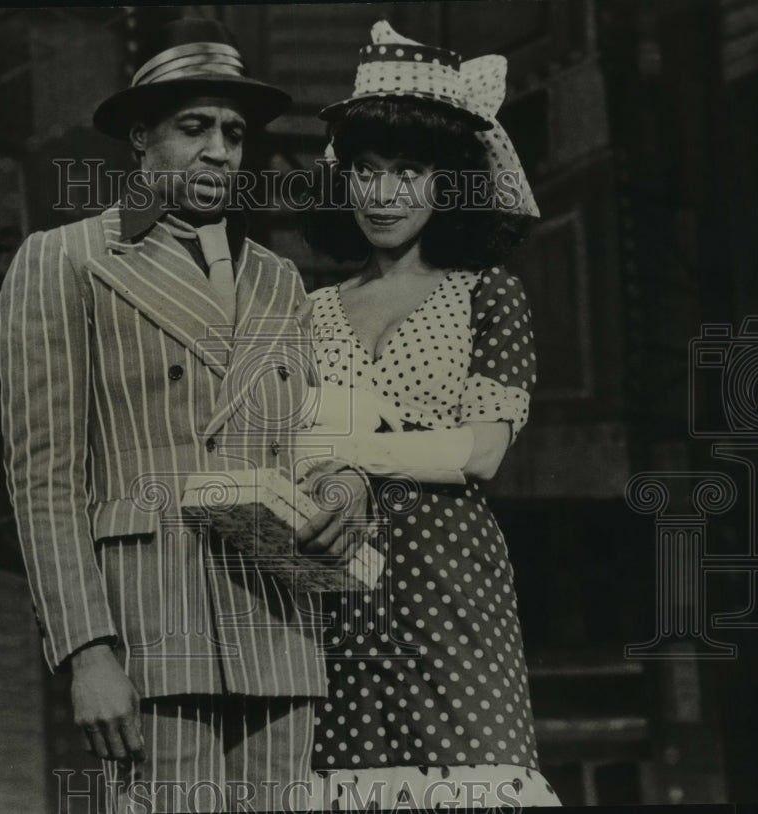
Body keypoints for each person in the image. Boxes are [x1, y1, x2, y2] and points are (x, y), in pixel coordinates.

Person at [0, 18, 364, 813]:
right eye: (193, 127)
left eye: (234, 132)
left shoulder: (280, 281)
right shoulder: (64, 260)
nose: (219, 151)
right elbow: (44, 480)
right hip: (148, 620)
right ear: (140, 136)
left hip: (277, 621)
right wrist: (86, 651)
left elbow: (308, 439)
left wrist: (344, 485)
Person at [301, 21, 561, 809]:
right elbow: (293, 453)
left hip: (450, 583)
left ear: (446, 181)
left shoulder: (487, 292)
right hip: (332, 583)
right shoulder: (308, 310)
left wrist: (347, 446)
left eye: (408, 171)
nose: (383, 195)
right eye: (366, 172)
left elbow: (479, 455)